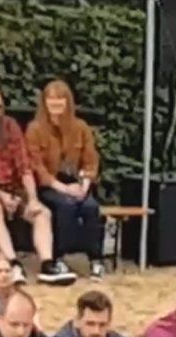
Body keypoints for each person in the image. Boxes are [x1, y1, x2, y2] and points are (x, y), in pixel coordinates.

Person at [0, 82, 71, 285]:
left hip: (12, 188)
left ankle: (47, 265)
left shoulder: (11, 127)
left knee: (42, 213)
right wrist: (0, 195)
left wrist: (33, 199)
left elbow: (24, 167)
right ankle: (12, 263)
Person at [26, 79, 104, 280]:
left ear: (68, 101)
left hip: (77, 181)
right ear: (44, 102)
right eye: (51, 99)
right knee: (65, 206)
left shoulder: (81, 127)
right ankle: (58, 257)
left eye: (60, 99)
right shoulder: (34, 129)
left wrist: (84, 185)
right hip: (49, 184)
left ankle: (96, 260)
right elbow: (36, 167)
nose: (56, 103)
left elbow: (91, 160)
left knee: (91, 207)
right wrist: (62, 187)